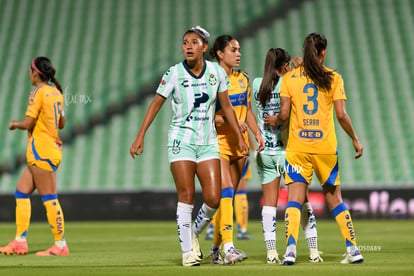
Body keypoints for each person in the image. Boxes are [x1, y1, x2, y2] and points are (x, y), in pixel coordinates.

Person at [129, 26, 249, 267]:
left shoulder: (216, 72)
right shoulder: (174, 73)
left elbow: (226, 107)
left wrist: (238, 137)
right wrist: (140, 134)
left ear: (204, 47)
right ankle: (187, 252)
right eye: (185, 42)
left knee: (214, 198)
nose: (188, 46)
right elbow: (155, 104)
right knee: (186, 196)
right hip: (181, 141)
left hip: (208, 143)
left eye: (194, 42)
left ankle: (192, 233)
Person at [272, 32, 364, 265]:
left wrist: (274, 120)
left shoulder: (290, 79)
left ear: (303, 53)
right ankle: (353, 249)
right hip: (325, 148)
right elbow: (341, 115)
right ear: (323, 53)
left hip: (298, 148)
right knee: (335, 200)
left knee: (294, 200)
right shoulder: (334, 78)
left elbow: (283, 116)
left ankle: (290, 251)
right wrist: (355, 139)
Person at [253, 48, 323, 264]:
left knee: (269, 205)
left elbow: (246, 109)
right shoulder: (290, 83)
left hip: (265, 152)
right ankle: (312, 250)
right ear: (285, 66)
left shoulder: (256, 84)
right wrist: (301, 69)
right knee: (301, 202)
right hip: (289, 151)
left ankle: (271, 252)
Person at [0, 57, 69, 256]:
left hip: (42, 150)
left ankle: (60, 244)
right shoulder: (56, 93)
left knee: (49, 198)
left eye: (30, 72)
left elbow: (28, 123)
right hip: (47, 150)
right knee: (21, 192)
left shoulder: (39, 93)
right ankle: (20, 242)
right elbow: (62, 123)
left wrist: (14, 124)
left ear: (35, 73)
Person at [208, 34, 265, 265]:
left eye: (239, 49)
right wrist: (231, 122)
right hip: (219, 143)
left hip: (240, 144)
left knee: (228, 198)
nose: (238, 53)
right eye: (233, 50)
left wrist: (257, 133)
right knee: (227, 191)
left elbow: (247, 110)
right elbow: (208, 117)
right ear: (220, 54)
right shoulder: (211, 79)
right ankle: (229, 248)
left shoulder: (243, 78)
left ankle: (214, 249)